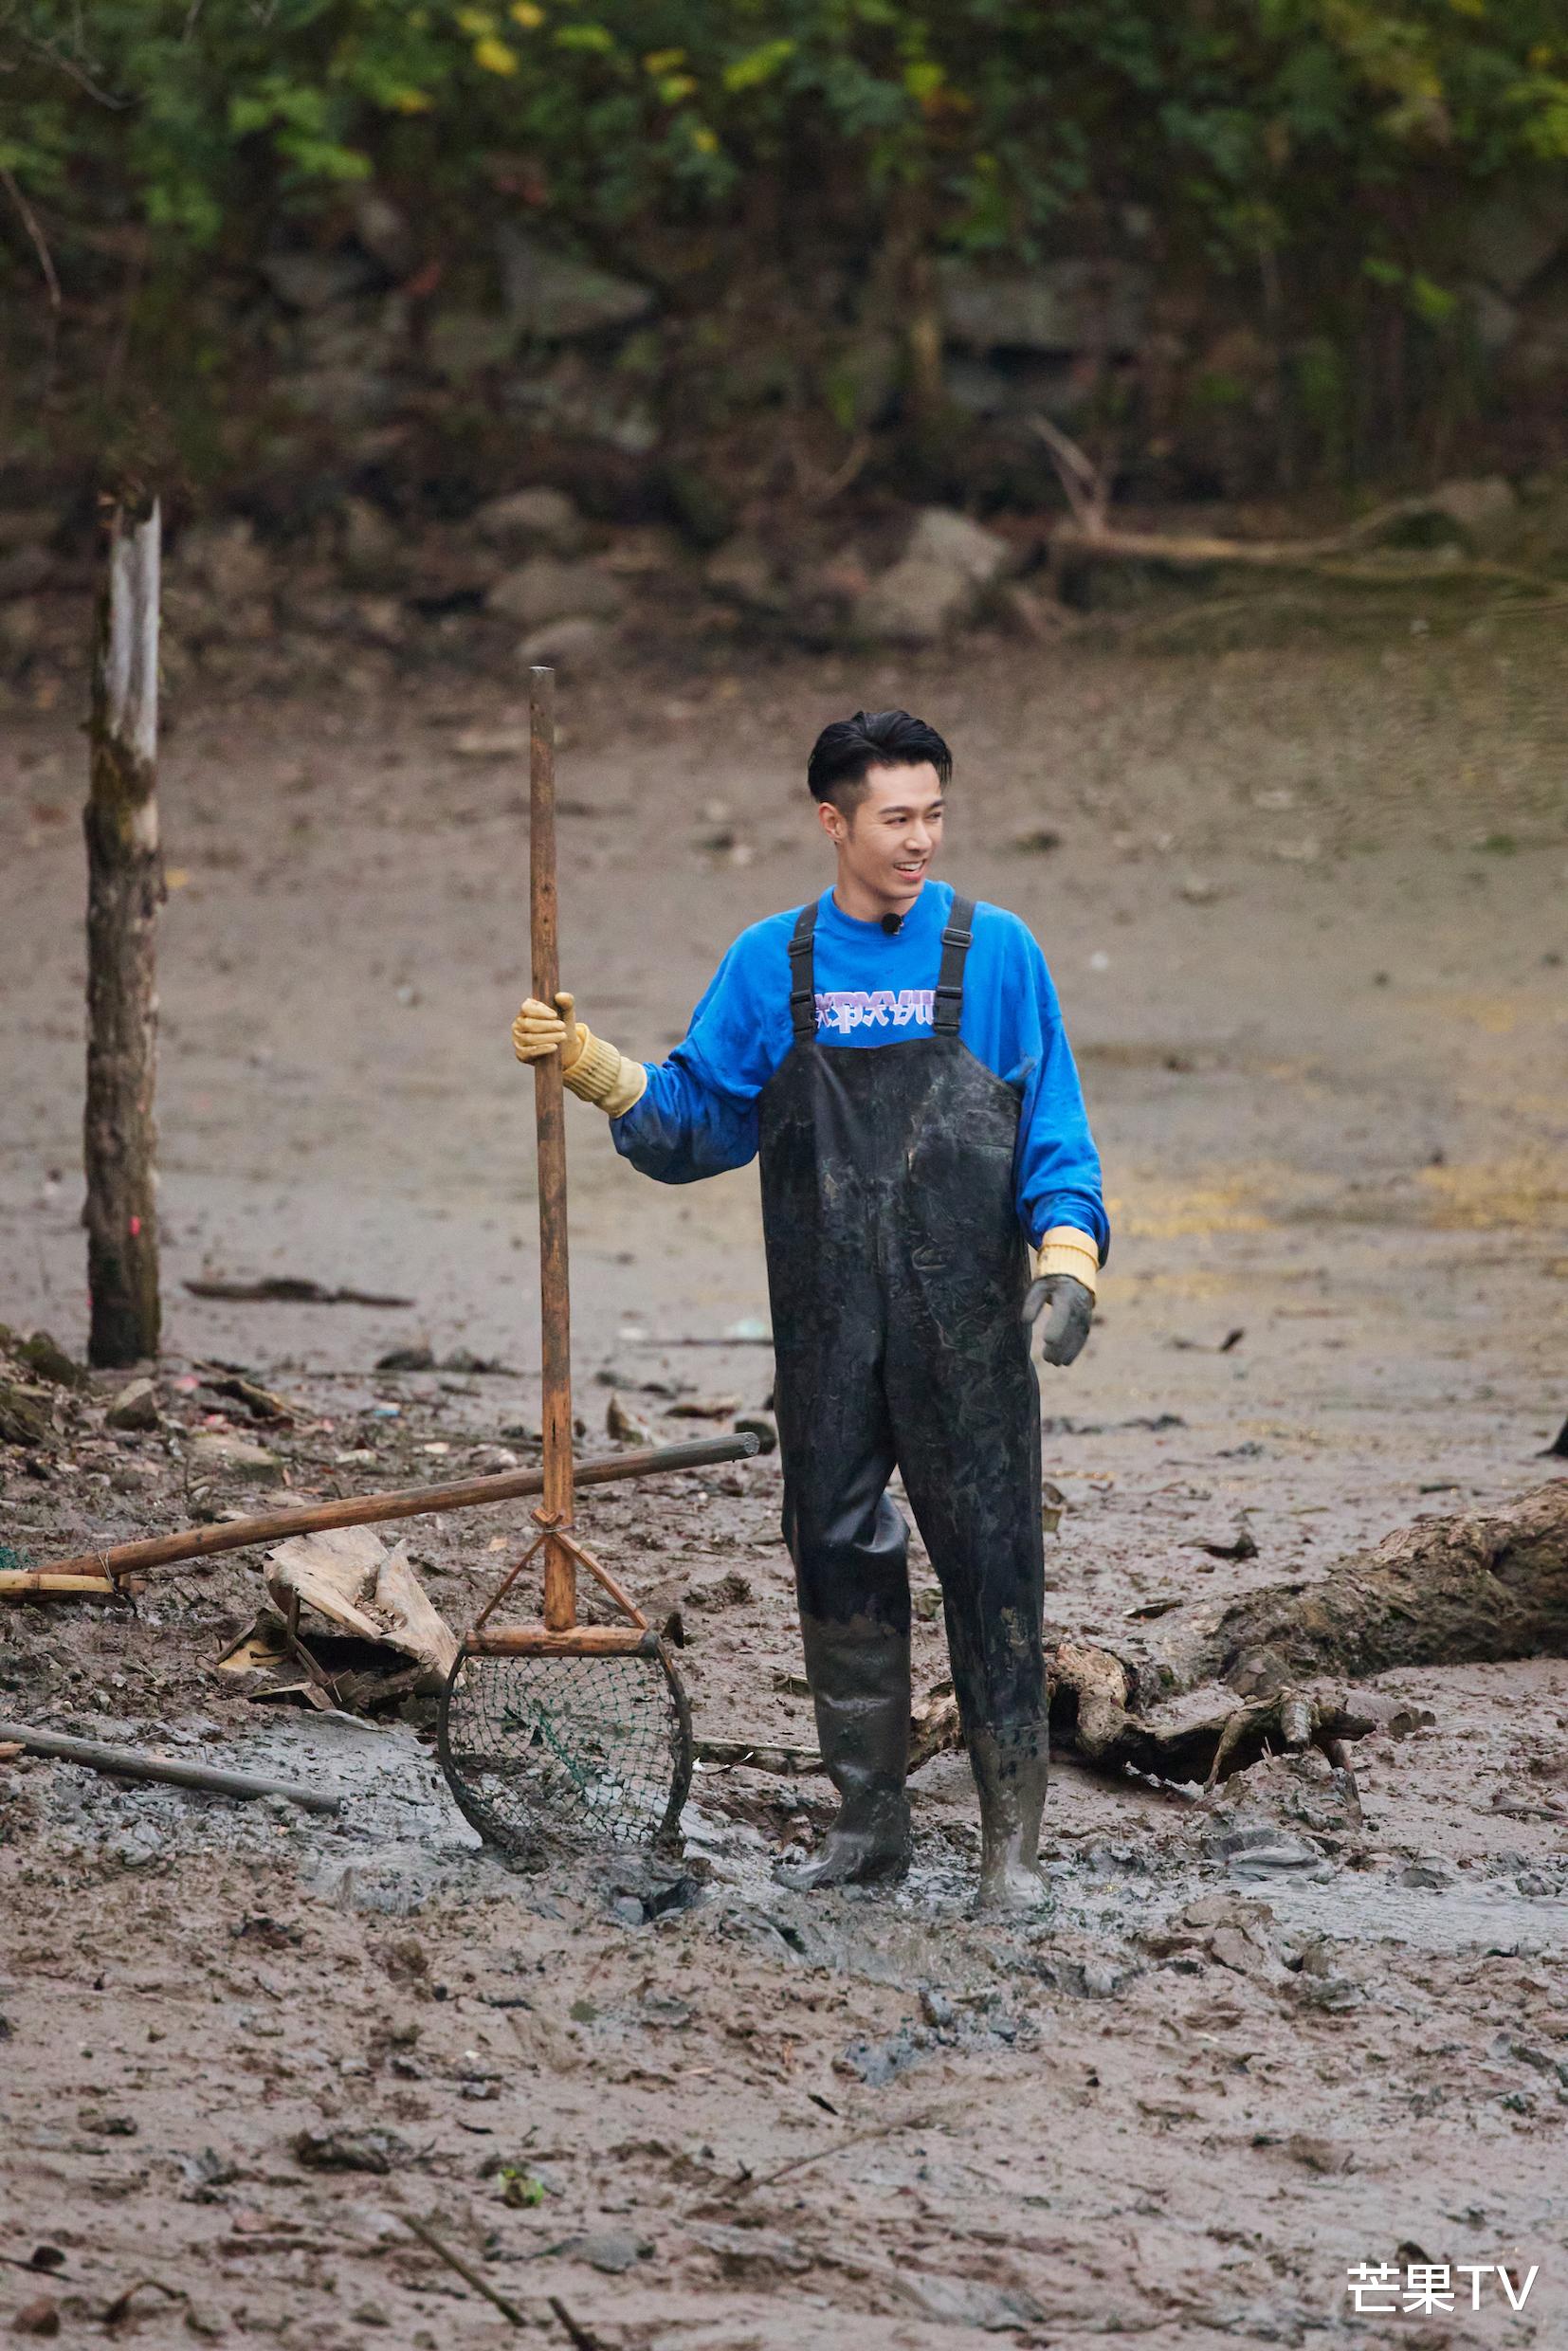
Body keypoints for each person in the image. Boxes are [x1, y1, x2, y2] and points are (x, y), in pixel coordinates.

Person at [512, 709, 1106, 1909]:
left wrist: (1069, 1252)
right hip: (827, 1326)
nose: (920, 839)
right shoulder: (770, 963)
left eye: (935, 813)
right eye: (897, 817)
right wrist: (588, 1063)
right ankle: (867, 1828)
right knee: (833, 1550)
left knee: (994, 1561)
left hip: (967, 1334)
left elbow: (1055, 1130)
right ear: (832, 821)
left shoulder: (997, 954)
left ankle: (1011, 1852)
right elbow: (694, 1124)